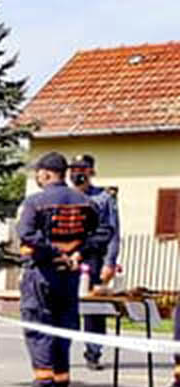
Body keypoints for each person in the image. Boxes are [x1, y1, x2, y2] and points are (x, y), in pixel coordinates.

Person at [12, 151, 108, 387]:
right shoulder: (86, 202)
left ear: (45, 173)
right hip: (70, 276)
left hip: (42, 274)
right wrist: (78, 253)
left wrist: (55, 251)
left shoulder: (35, 202)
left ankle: (43, 386)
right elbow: (103, 233)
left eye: (38, 173)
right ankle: (60, 385)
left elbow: (27, 233)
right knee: (63, 329)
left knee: (38, 328)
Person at [69, 154, 121, 371]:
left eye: (83, 169)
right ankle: (57, 352)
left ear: (91, 171)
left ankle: (93, 352)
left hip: (93, 257)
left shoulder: (104, 198)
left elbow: (113, 233)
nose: (78, 173)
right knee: (64, 305)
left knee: (93, 307)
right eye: (74, 168)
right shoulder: (63, 195)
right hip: (67, 256)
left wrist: (110, 262)